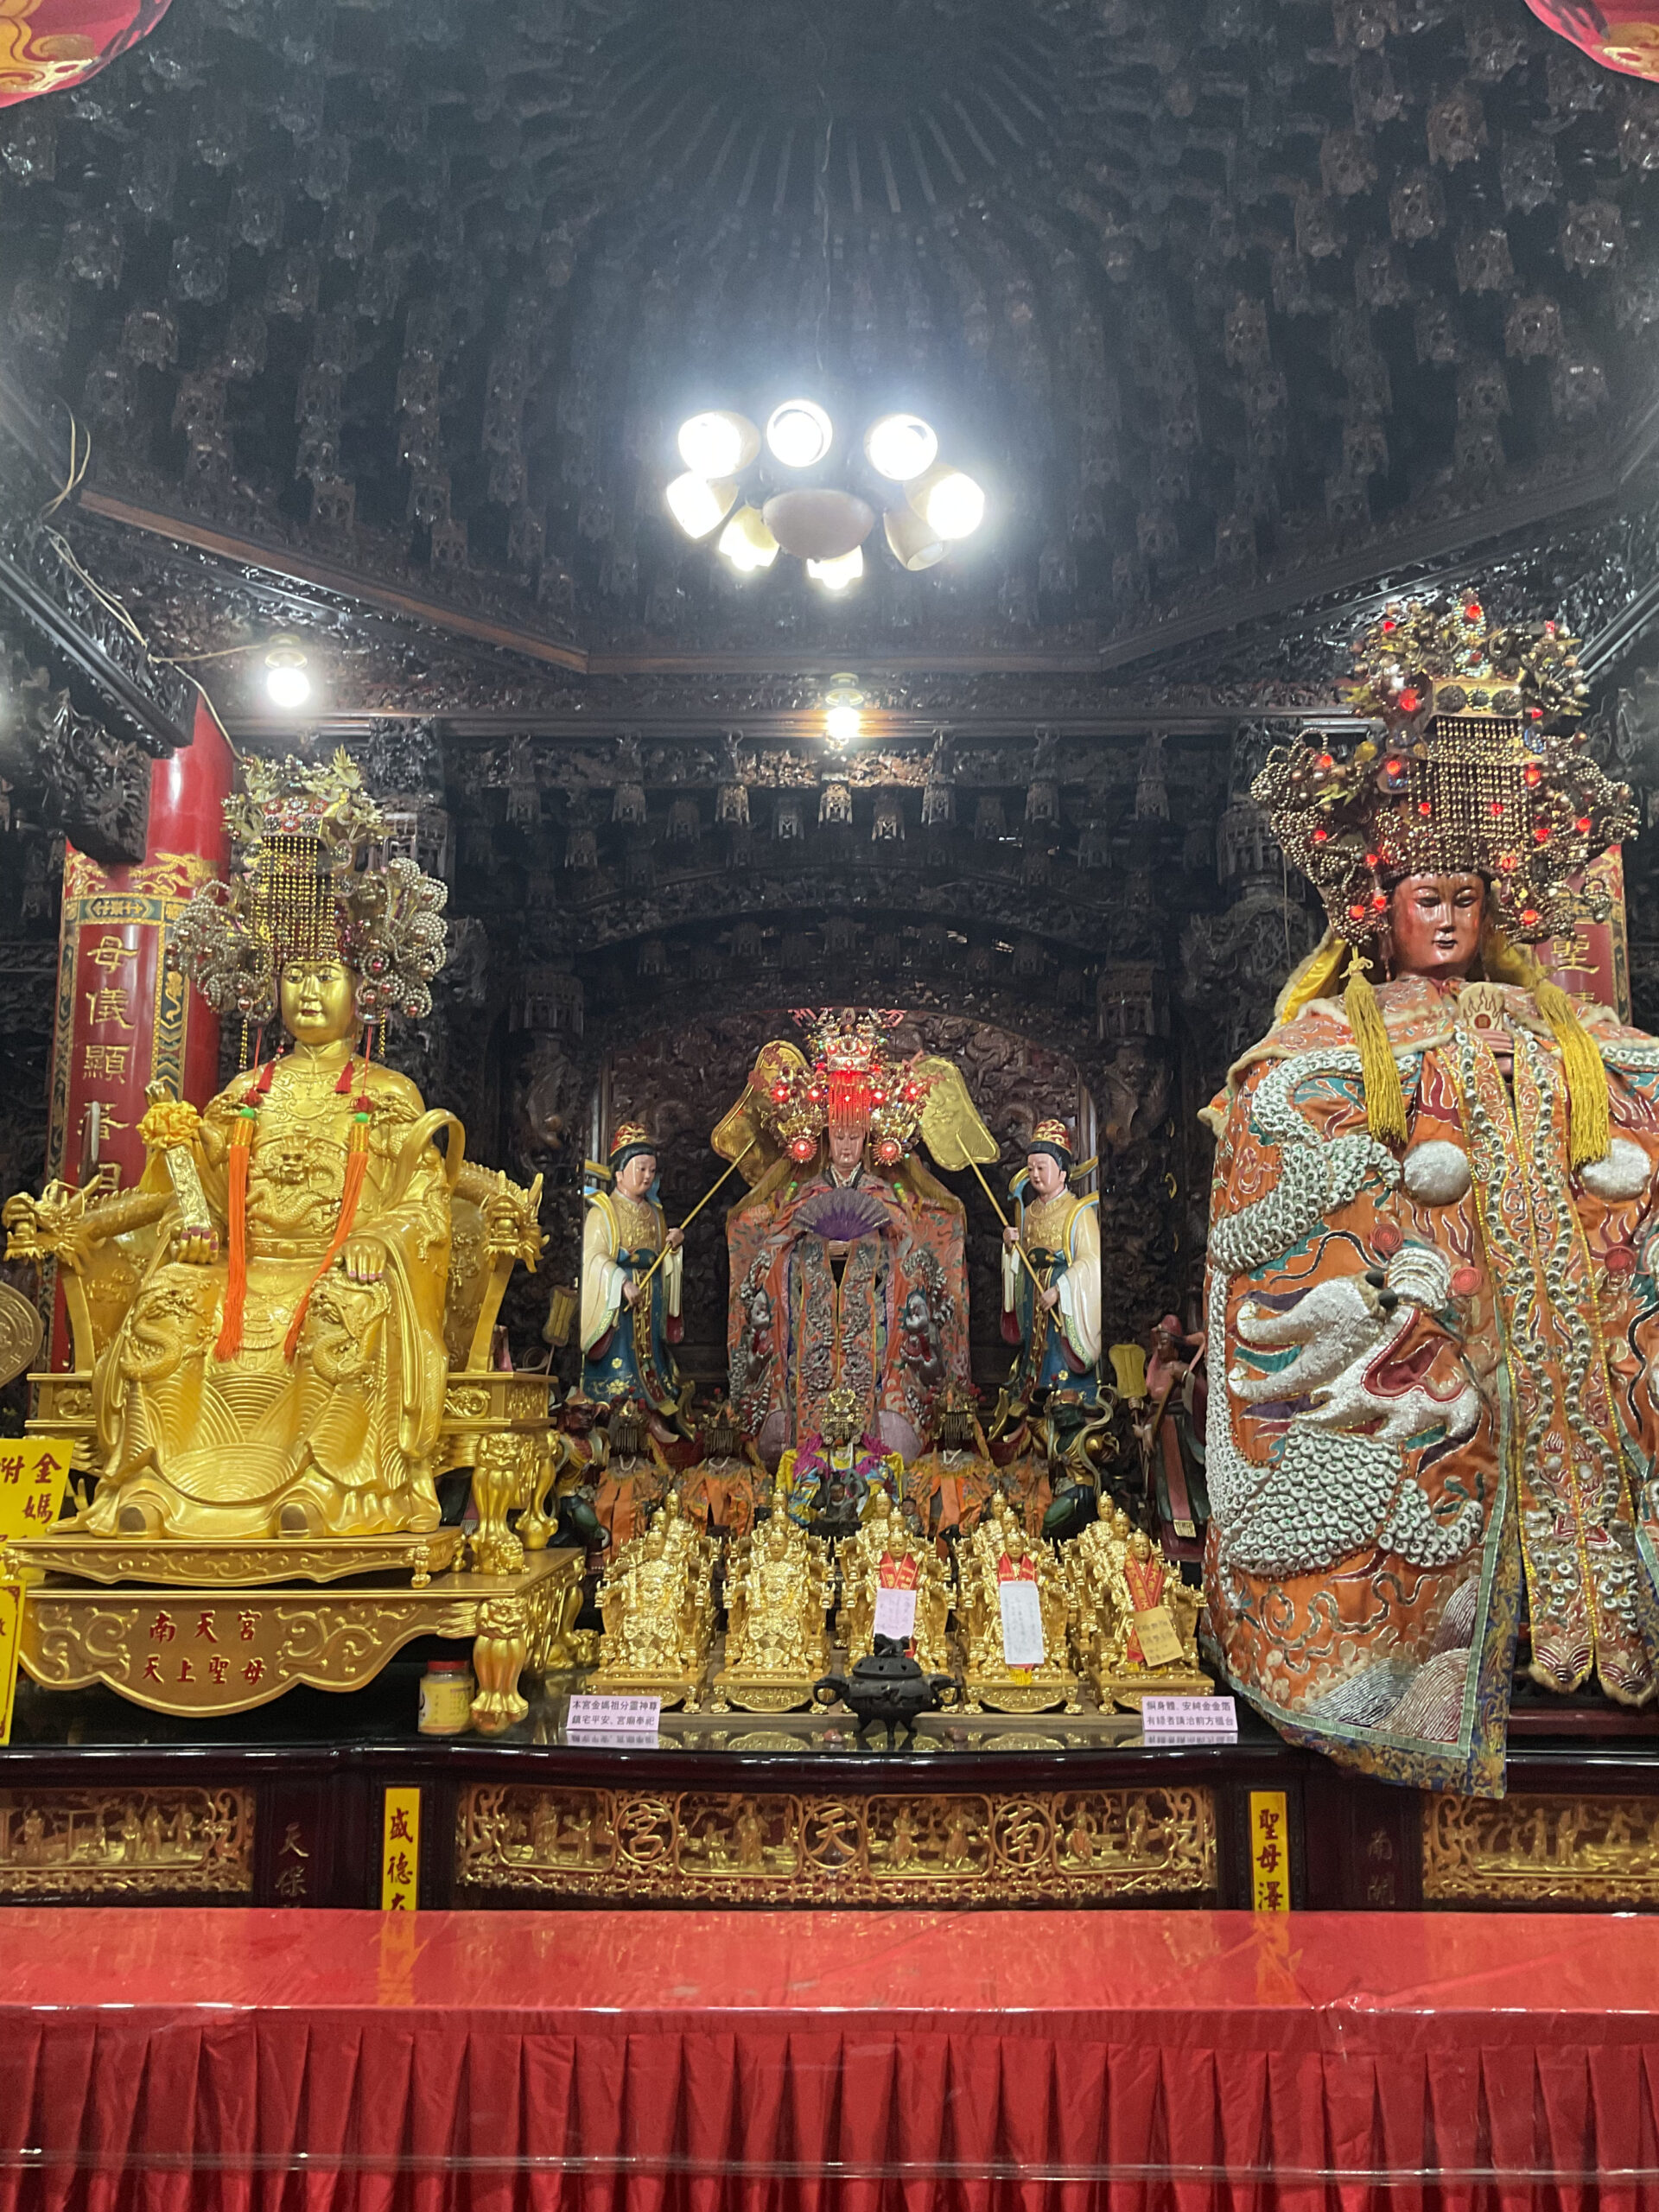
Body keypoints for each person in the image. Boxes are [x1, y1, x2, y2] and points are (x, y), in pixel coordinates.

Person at [1207, 593, 1659, 1794]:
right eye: (1426, 900)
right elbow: (1276, 1137)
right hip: (1440, 1353)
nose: (1449, 920)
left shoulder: (1569, 1036)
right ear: (1385, 909)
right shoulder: (1331, 1044)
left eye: (1467, 898)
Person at [4, 753, 539, 1542]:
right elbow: (183, 1193)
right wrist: (177, 1215)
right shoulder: (243, 1094)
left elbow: (425, 1201)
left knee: (349, 1313)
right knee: (166, 1305)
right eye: (294, 976)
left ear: (366, 989)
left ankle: (331, 1486)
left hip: (341, 1264)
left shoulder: (387, 1095)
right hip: (241, 1270)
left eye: (327, 976)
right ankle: (148, 1485)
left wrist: (380, 1239)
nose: (309, 993)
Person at [719, 1013, 978, 1461]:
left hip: (872, 1326)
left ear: (867, 1139)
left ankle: (880, 1441)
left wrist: (876, 1247)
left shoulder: (885, 1196)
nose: (845, 1147)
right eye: (838, 1136)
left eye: (854, 1137)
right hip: (812, 1329)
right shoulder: (805, 1196)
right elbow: (769, 1255)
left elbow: (913, 1258)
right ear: (825, 1137)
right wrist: (808, 1252)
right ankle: (803, 1447)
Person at [579, 1126, 683, 1414]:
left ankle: (656, 1401)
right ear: (620, 1174)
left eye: (652, 1170)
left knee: (651, 1356)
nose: (648, 1177)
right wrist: (621, 1283)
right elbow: (592, 1258)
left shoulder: (655, 1213)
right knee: (623, 1352)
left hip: (651, 1295)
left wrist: (673, 1248)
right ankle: (618, 1398)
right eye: (641, 1169)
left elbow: (662, 1258)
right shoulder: (603, 1212)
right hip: (619, 1300)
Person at [1001, 1119, 1103, 1404]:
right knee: (1033, 1360)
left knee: (1057, 1356)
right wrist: (1009, 1248)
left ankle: (1065, 1390)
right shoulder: (1028, 1212)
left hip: (1062, 1306)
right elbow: (1021, 1262)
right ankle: (1032, 1385)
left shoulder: (1079, 1213)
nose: (1034, 1175)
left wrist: (1061, 1290)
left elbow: (1091, 1263)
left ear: (1062, 1173)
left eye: (1041, 1168)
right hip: (1033, 1300)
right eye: (1030, 1168)